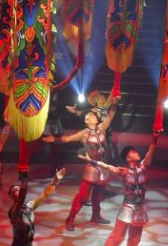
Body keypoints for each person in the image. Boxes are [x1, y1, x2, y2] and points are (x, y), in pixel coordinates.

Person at [80, 130, 160, 246]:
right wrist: (91, 161)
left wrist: (154, 138)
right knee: (117, 236)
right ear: (128, 158)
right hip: (127, 208)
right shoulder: (123, 171)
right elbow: (107, 166)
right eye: (133, 152)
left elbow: (151, 151)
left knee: (135, 239)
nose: (137, 153)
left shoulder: (144, 167)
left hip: (139, 209)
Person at [49, 98, 120, 230]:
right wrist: (53, 139)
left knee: (99, 194)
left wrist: (114, 103)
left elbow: (111, 115)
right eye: (90, 115)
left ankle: (96, 216)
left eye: (93, 115)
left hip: (103, 167)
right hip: (92, 168)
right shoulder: (84, 134)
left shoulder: (102, 128)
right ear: (86, 120)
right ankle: (70, 218)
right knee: (82, 196)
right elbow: (67, 139)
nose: (93, 116)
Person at [6, 168, 66, 246]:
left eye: (19, 189)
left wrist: (55, 180)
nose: (18, 191)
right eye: (15, 191)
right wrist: (24, 179)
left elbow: (45, 194)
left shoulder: (29, 207)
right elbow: (22, 197)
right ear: (11, 196)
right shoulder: (14, 212)